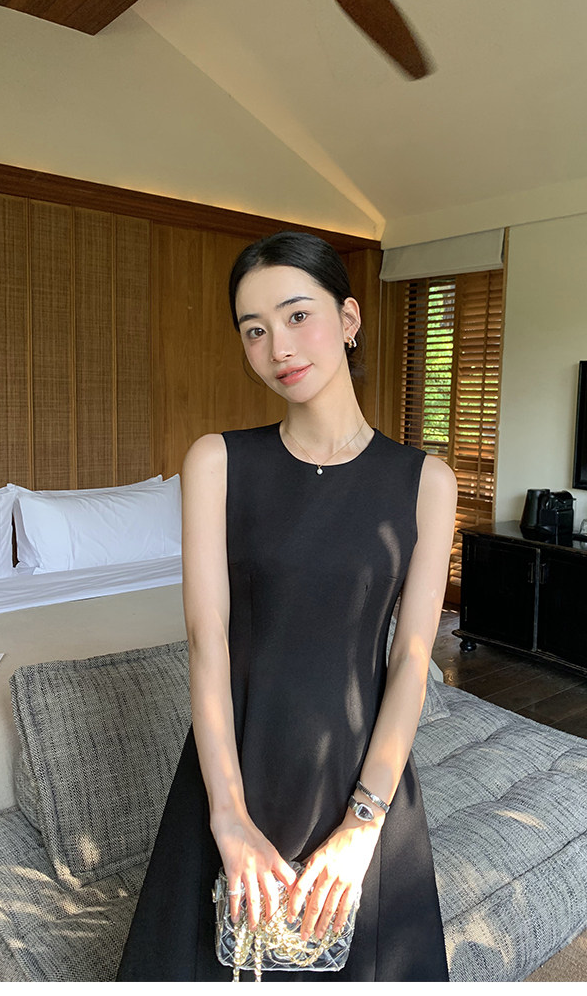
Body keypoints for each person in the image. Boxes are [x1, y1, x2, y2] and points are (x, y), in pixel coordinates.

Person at [117, 231, 457, 982]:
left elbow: (410, 660)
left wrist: (363, 825)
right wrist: (228, 816)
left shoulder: (426, 482)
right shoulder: (217, 461)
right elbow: (208, 643)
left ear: (348, 318)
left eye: (298, 315)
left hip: (362, 781)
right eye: (254, 329)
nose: (278, 347)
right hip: (238, 770)